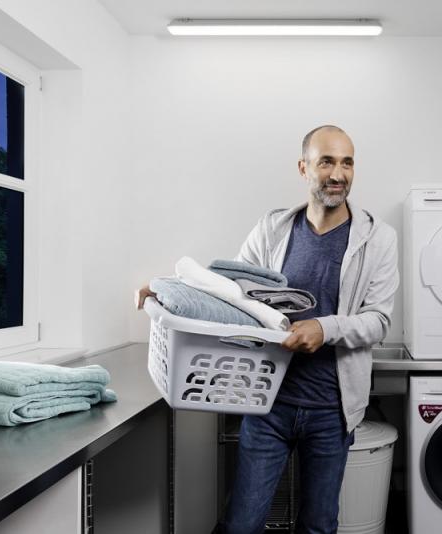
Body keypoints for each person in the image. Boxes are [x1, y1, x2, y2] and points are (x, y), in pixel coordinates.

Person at [136, 125, 399, 534]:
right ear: (303, 168)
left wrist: (325, 328)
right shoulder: (272, 229)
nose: (338, 174)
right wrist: (166, 289)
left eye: (347, 163)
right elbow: (230, 294)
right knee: (242, 525)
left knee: (318, 526)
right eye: (326, 162)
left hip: (332, 410)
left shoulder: (378, 239)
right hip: (267, 402)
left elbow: (378, 320)